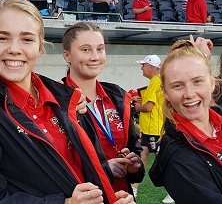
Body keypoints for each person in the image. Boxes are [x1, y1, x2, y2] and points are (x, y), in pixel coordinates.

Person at [0, 0, 135, 204]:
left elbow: (87, 171)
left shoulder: (69, 100)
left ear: (41, 46)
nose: (15, 48)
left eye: (27, 39)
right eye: (2, 38)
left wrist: (110, 197)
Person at [61, 21, 144, 195]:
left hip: (122, 197)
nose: (95, 57)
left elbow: (134, 149)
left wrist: (134, 166)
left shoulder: (117, 96)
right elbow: (57, 167)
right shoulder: (56, 101)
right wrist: (105, 169)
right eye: (85, 50)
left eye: (100, 49)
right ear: (67, 55)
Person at [149, 40, 222, 203]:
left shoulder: (218, 121)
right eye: (177, 86)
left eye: (197, 81)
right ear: (165, 92)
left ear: (211, 82)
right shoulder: (177, 159)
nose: (189, 93)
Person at [131, 55, 164, 197]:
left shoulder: (155, 81)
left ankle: (175, 190)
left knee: (159, 159)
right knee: (144, 156)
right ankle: (134, 188)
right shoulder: (156, 82)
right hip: (152, 128)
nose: (141, 68)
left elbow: (149, 107)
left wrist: (137, 107)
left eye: (143, 65)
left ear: (151, 67)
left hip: (153, 129)